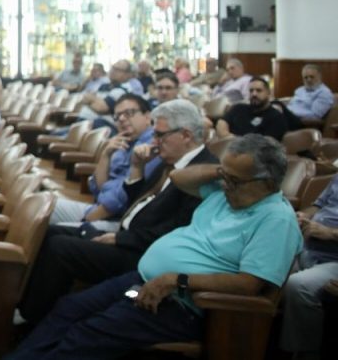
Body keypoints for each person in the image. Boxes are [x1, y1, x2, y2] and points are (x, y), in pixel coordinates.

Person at [8, 134, 302, 358]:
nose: (227, 186)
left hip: (185, 305)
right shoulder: (226, 192)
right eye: (225, 177)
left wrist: (177, 280)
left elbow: (249, 284)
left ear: (267, 182)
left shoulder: (275, 219)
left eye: (235, 180)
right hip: (145, 281)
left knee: (87, 334)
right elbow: (178, 177)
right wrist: (222, 172)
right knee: (69, 309)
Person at [20, 99, 217, 323]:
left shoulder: (201, 174)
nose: (155, 141)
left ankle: (34, 317)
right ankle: (33, 306)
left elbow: (174, 231)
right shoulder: (170, 159)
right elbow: (137, 204)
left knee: (60, 248)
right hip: (128, 234)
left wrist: (120, 238)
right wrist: (136, 168)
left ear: (186, 135)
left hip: (141, 253)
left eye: (160, 135)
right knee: (52, 233)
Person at [49, 95, 158, 226]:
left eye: (129, 113)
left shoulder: (150, 147)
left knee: (55, 230)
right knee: (42, 205)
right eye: (117, 116)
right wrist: (106, 155)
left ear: (147, 117)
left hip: (118, 220)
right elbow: (99, 187)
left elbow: (120, 199)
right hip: (98, 209)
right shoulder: (123, 142)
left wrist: (86, 221)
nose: (122, 119)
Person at [281, 172, 338, 358]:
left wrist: (331, 233)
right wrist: (304, 215)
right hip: (306, 247)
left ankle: (304, 354)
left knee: (298, 285)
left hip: (333, 259)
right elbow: (318, 206)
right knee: (259, 268)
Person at [216, 76, 289, 141]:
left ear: (268, 93)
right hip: (229, 148)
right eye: (251, 91)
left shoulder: (276, 117)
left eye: (259, 90)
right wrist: (229, 137)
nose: (254, 94)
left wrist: (238, 143)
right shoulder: (238, 108)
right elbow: (221, 123)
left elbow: (265, 145)